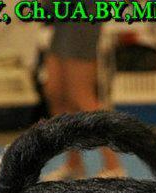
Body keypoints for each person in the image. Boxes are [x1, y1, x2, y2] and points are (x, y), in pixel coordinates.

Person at [42, 1, 123, 180]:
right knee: (56, 92)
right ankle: (74, 164)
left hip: (83, 14)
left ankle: (114, 166)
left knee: (81, 95)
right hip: (62, 17)